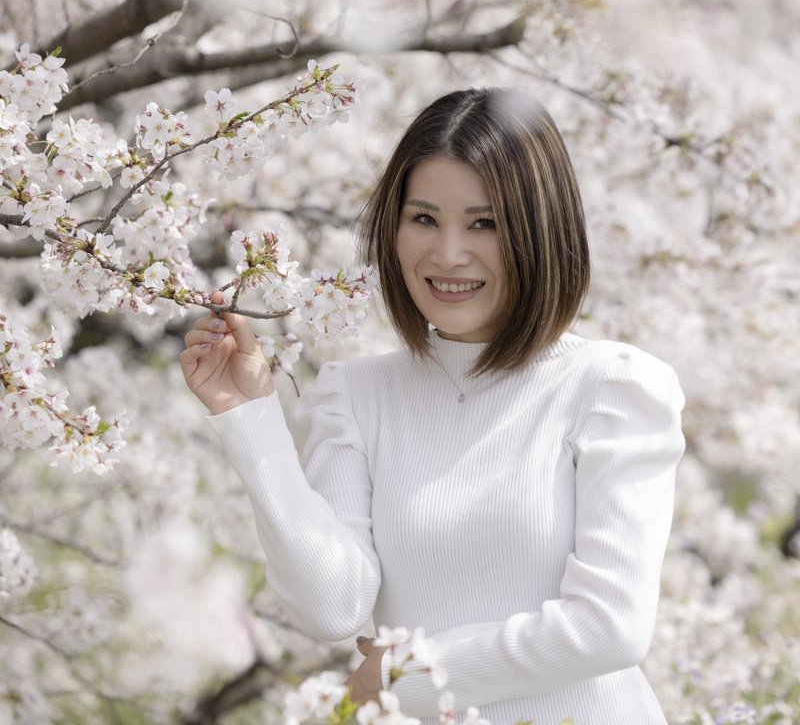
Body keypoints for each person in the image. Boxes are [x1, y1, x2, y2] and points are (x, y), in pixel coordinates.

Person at [180, 87, 685, 725]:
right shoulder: (355, 394)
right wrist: (248, 419)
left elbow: (610, 626)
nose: (447, 254)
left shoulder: (611, 388)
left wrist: (403, 676)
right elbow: (333, 606)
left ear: (540, 231)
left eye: (485, 223)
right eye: (423, 219)